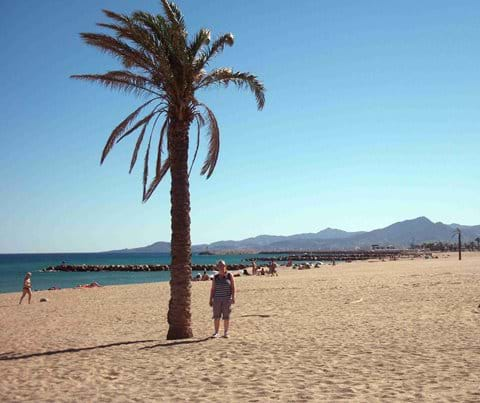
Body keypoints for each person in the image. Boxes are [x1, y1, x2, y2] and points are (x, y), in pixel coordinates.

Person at [209, 260, 235, 338]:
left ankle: (226, 332)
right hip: (217, 299)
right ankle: (216, 332)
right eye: (219, 266)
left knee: (226, 316)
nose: (221, 267)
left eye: (223, 266)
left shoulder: (229, 275)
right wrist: (210, 299)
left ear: (225, 266)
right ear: (217, 267)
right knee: (216, 316)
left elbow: (233, 287)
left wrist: (233, 297)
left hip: (227, 299)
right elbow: (213, 289)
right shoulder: (215, 277)